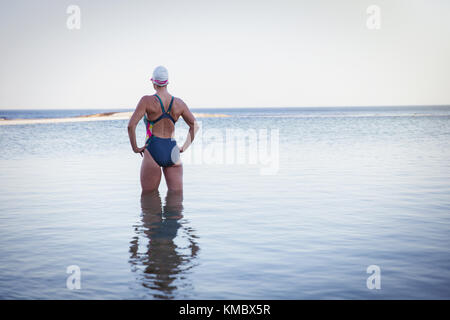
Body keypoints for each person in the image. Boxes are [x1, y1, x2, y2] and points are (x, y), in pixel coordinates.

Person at [127, 66, 198, 192]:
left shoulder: (146, 101)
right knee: (176, 202)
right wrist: (183, 147)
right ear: (167, 82)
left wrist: (135, 148)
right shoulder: (179, 103)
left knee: (149, 201)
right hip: (172, 150)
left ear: (154, 83)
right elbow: (194, 126)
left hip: (153, 149)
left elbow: (131, 125)